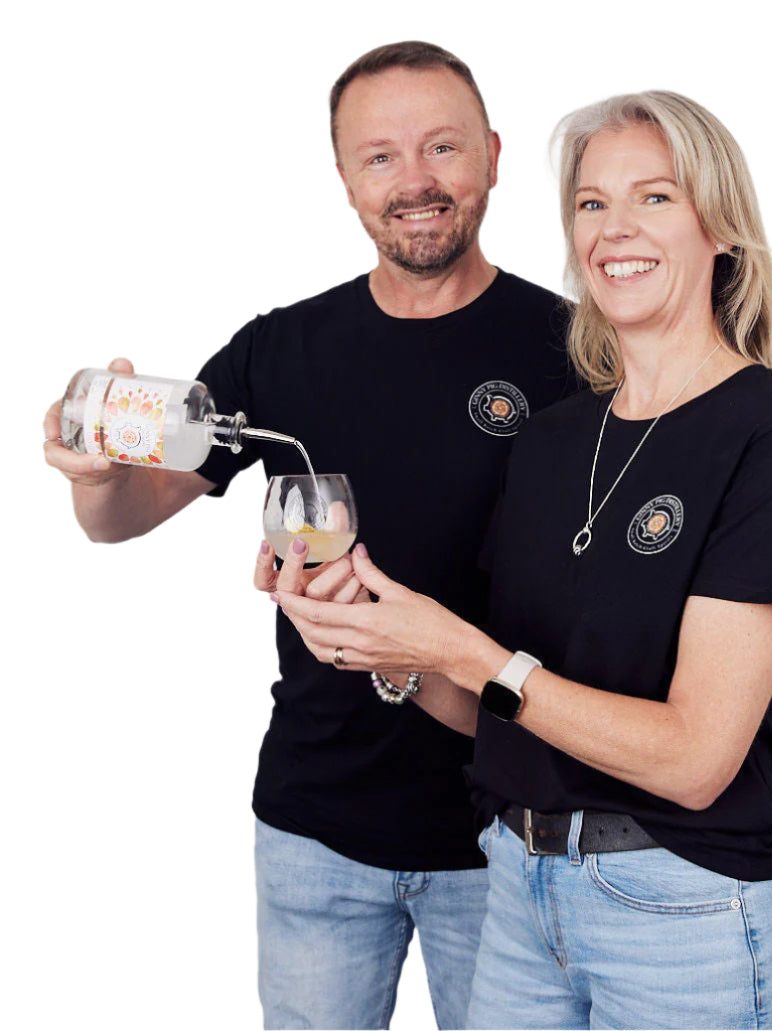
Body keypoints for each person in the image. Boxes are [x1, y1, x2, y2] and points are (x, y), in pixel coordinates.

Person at [272, 89, 772, 1030]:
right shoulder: (550, 440)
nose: (615, 228)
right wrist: (379, 640)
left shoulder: (768, 439)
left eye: (654, 196)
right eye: (591, 203)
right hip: (519, 895)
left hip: (684, 915)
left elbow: (695, 759)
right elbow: (500, 711)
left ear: (719, 228)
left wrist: (464, 649)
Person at [42, 41, 575, 1030]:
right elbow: (123, 515)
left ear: (493, 156)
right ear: (343, 179)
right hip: (315, 833)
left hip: (511, 837)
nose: (414, 181)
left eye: (442, 147)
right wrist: (98, 477)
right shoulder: (281, 349)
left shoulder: (574, 352)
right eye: (379, 156)